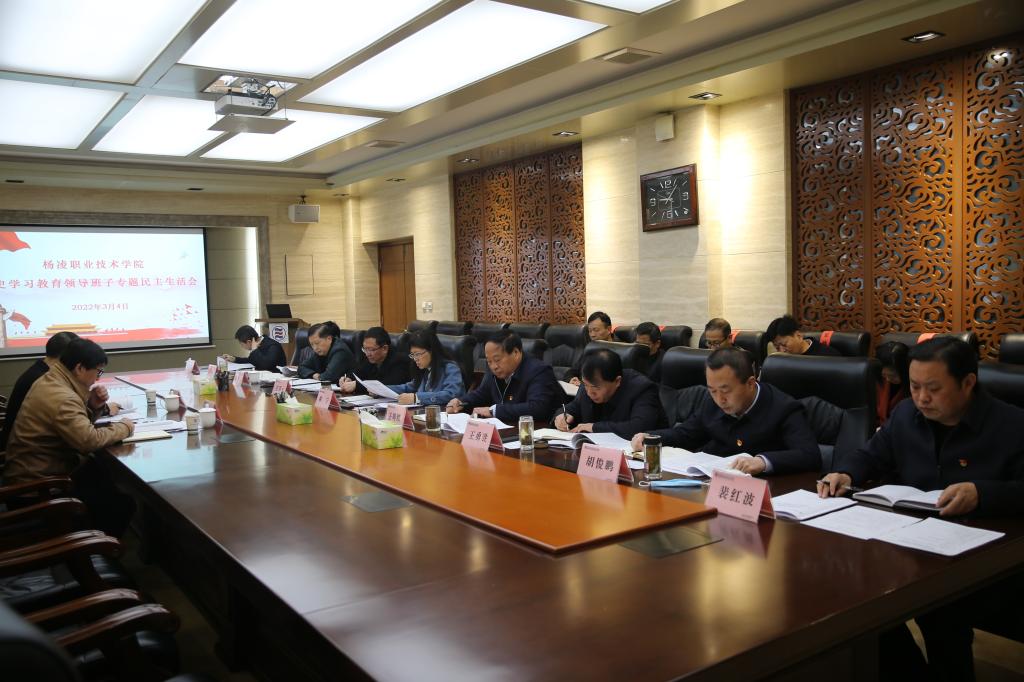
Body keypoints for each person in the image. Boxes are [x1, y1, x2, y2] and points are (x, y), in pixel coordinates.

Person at [818, 337, 1024, 681]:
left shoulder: (1012, 425)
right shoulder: (905, 414)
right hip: (913, 545)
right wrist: (846, 472)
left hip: (989, 559)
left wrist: (983, 493)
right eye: (914, 386)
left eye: (933, 388)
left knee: (942, 608)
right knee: (861, 597)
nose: (922, 398)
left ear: (968, 383)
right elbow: (871, 454)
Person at [3, 338, 135, 536]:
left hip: (33, 476)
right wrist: (125, 427)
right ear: (80, 368)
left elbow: (72, 427)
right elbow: (88, 441)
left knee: (101, 477)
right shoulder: (62, 396)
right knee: (120, 505)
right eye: (98, 372)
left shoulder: (51, 380)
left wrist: (92, 407)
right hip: (39, 490)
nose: (97, 379)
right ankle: (97, 549)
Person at [631, 347, 819, 474]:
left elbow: (809, 455)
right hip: (716, 484)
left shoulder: (783, 408)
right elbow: (687, 434)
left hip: (768, 493)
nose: (719, 399)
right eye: (712, 390)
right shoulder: (711, 402)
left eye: (726, 390)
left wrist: (763, 461)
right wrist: (651, 438)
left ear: (750, 383)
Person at [447, 330, 561, 422]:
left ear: (516, 353)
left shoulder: (539, 371)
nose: (493, 366)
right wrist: (461, 402)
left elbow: (537, 408)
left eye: (497, 360)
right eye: (489, 361)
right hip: (507, 428)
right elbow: (482, 393)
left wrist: (494, 411)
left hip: (538, 433)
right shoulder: (495, 369)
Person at [555, 349, 665, 439]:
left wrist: (594, 427)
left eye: (596, 387)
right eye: (585, 385)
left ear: (617, 381)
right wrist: (562, 416)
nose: (589, 392)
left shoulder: (642, 389)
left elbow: (638, 427)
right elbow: (574, 406)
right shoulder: (589, 383)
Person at [1, 331, 79, 451]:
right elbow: (68, 419)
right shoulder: (44, 380)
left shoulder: (40, 369)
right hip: (25, 451)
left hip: (20, 443)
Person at [384, 330, 463, 406]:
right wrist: (381, 389)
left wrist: (416, 398)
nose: (415, 359)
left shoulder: (450, 368)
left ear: (431, 351)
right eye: (412, 355)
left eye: (418, 354)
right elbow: (408, 387)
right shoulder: (425, 369)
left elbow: (451, 394)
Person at [340, 327, 410, 394]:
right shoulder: (370, 357)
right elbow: (358, 372)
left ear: (384, 348)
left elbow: (387, 384)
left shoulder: (399, 361)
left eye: (371, 349)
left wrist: (357, 385)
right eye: (365, 349)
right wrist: (348, 378)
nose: (368, 354)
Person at [565, 311, 613, 384]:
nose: (592, 335)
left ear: (609, 329)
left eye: (596, 330)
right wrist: (572, 379)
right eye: (590, 331)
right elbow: (572, 371)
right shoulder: (590, 348)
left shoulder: (623, 350)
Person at [766, 314, 840, 357]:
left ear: (798, 335)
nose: (782, 351)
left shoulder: (828, 355)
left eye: (784, 344)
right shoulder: (781, 360)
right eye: (777, 347)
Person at [220, 324, 287, 372]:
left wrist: (255, 350)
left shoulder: (272, 346)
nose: (241, 346)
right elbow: (251, 361)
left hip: (276, 380)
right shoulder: (258, 346)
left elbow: (266, 365)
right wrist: (235, 359)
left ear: (249, 342)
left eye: (241, 344)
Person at [874, 340, 909, 427]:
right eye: (884, 375)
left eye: (892, 376)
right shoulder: (876, 380)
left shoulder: (914, 386)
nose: (888, 379)